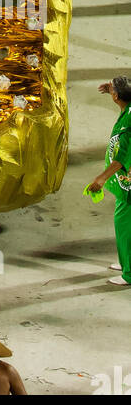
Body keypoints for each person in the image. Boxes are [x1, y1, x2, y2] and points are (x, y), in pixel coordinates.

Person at [86, 75, 131, 284]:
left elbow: (121, 160)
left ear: (117, 96)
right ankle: (125, 262)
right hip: (124, 186)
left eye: (112, 89)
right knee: (122, 224)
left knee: (125, 227)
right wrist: (111, 91)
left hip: (128, 185)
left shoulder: (128, 128)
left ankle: (129, 273)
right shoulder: (128, 109)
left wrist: (101, 179)